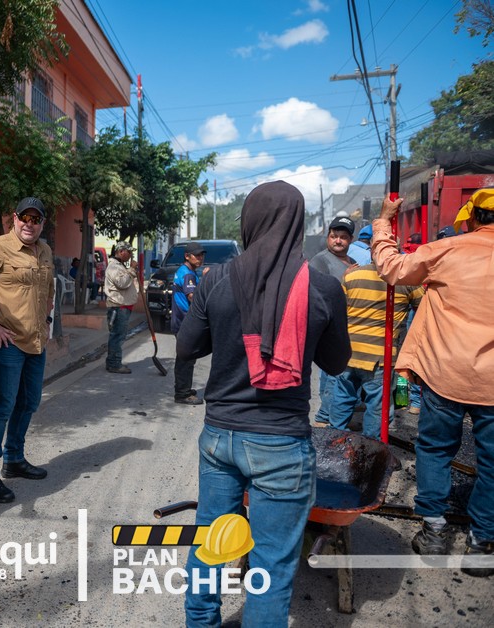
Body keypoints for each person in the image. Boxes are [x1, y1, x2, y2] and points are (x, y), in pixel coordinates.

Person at [178, 181, 350, 626]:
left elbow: (187, 347)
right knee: (270, 567)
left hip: (220, 439)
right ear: (297, 224)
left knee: (209, 545)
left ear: (249, 222)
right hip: (281, 445)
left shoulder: (216, 279)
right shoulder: (323, 287)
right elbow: (336, 363)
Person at [373, 189, 494, 577]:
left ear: (472, 217)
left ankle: (435, 531)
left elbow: (392, 268)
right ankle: (481, 542)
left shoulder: (448, 250)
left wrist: (384, 222)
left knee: (436, 450)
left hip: (444, 375)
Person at [0, 197, 55, 504]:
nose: (30, 224)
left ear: (42, 223)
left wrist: (47, 320)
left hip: (36, 342)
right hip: (7, 343)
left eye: (36, 219)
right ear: (15, 219)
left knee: (29, 402)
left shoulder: (45, 250)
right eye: (25, 218)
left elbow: (49, 289)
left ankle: (14, 459)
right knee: (3, 406)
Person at [329, 263, 423, 439]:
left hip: (349, 352)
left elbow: (337, 309)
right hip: (379, 356)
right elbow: (424, 308)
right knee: (377, 405)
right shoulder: (406, 278)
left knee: (343, 396)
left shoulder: (352, 275)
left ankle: (334, 438)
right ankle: (370, 446)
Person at [309, 215, 358, 427]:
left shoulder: (352, 262)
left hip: (347, 324)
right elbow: (315, 293)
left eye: (343, 237)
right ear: (328, 237)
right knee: (332, 373)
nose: (338, 240)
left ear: (351, 239)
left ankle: (330, 415)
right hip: (328, 325)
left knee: (340, 372)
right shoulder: (320, 261)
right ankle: (324, 417)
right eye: (334, 236)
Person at [171, 241, 205, 404]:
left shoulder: (185, 271)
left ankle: (183, 388)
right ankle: (183, 394)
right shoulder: (188, 274)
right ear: (187, 256)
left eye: (201, 255)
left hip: (181, 321)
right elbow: (192, 297)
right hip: (184, 321)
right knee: (186, 358)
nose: (200, 258)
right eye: (196, 255)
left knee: (185, 357)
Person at [103, 242, 138, 374]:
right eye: (129, 252)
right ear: (121, 251)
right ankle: (114, 364)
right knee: (117, 336)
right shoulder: (114, 267)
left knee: (118, 335)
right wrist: (132, 270)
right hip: (118, 307)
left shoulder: (120, 266)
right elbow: (122, 283)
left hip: (122, 306)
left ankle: (113, 362)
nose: (130, 255)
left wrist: (131, 270)